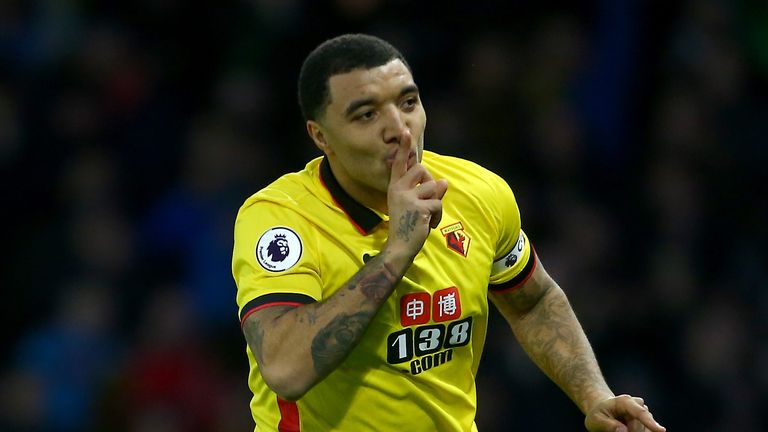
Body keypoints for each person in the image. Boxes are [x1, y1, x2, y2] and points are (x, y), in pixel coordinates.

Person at [232, 33, 666, 432]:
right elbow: (286, 369)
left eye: (407, 102)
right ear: (320, 136)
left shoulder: (478, 192)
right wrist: (397, 251)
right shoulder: (279, 220)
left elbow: (533, 301)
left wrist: (593, 395)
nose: (399, 130)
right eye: (366, 114)